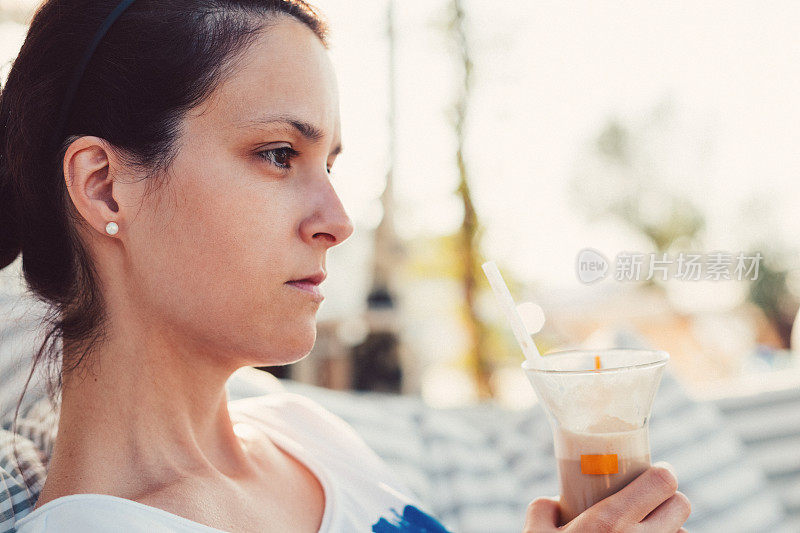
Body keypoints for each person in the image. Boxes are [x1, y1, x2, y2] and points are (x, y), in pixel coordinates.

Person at [0, 1, 691, 531]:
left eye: (328, 163)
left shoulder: (306, 435)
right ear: (103, 185)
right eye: (278, 154)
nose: (337, 219)